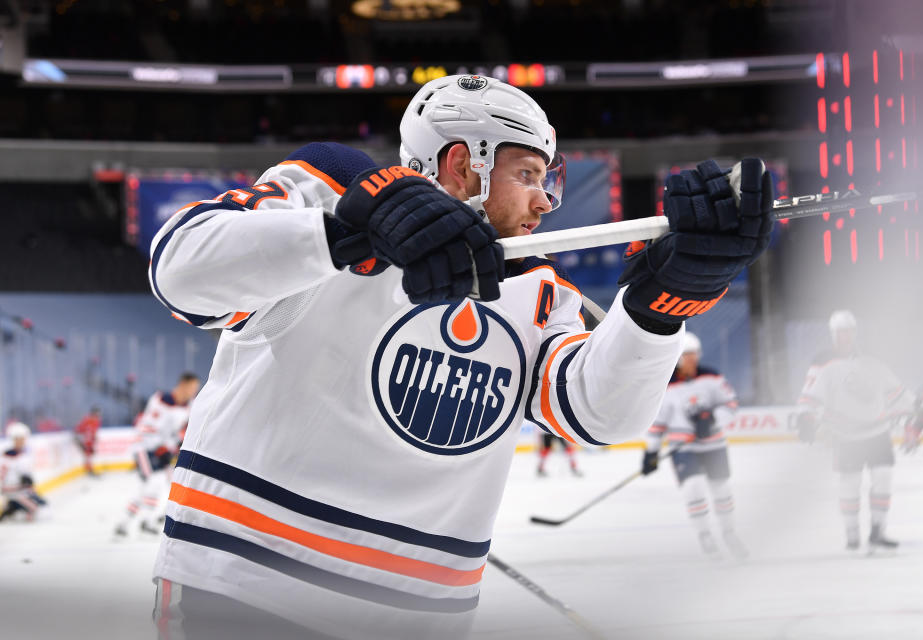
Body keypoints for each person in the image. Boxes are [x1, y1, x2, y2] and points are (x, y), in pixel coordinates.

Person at [146, 74, 773, 639]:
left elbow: (601, 414)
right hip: (243, 593)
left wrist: (661, 307)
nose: (546, 201)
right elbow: (180, 270)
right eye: (528, 175)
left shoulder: (534, 287)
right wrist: (353, 230)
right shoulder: (333, 187)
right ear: (462, 164)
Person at [796, 310, 913, 552]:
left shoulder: (870, 359)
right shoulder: (822, 361)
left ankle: (878, 532)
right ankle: (852, 534)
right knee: (850, 483)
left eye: (848, 332)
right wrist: (805, 416)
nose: (844, 337)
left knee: (883, 478)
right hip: (845, 435)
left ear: (854, 333)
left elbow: (895, 390)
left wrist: (917, 406)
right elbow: (809, 395)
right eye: (839, 332)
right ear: (832, 335)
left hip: (878, 431)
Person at [640, 332, 747, 560]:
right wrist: (651, 452)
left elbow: (731, 403)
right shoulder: (666, 386)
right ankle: (705, 534)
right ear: (678, 358)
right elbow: (657, 423)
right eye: (687, 355)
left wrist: (713, 420)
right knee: (694, 487)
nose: (692, 359)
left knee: (722, 490)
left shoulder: (711, 377)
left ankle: (729, 532)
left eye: (694, 355)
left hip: (714, 445)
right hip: (685, 449)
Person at [115, 372, 199, 537]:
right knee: (154, 482)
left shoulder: (190, 406)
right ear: (182, 384)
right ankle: (145, 521)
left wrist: (175, 445)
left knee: (160, 483)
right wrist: (160, 447)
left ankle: (127, 523)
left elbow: (181, 430)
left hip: (163, 450)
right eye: (192, 387)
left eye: (196, 388)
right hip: (145, 448)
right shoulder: (160, 400)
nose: (193, 391)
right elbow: (147, 426)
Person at [0, 422, 47, 522]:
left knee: (43, 505)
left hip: (21, 489)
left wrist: (28, 484)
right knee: (39, 512)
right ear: (14, 439)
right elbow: (6, 478)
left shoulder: (20, 454)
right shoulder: (9, 456)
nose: (23, 441)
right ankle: (12, 507)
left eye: (23, 438)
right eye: (20, 438)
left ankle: (13, 506)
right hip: (13, 491)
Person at [74, 406, 102, 476]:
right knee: (88, 454)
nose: (98, 415)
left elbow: (93, 432)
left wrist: (94, 438)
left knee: (89, 455)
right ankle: (89, 469)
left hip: (90, 441)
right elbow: (81, 430)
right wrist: (83, 442)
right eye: (97, 414)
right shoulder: (87, 420)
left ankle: (89, 469)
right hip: (86, 441)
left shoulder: (96, 421)